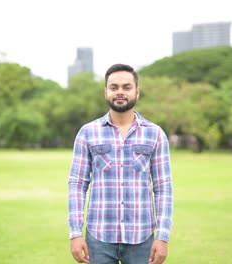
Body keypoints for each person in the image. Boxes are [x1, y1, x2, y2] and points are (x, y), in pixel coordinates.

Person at [68, 63, 173, 264]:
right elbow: (77, 184)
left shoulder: (155, 134)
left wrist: (163, 236)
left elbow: (163, 188)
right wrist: (75, 233)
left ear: (137, 92)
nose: (120, 92)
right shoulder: (88, 133)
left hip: (142, 239)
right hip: (98, 239)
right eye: (114, 87)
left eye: (126, 87)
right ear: (106, 92)